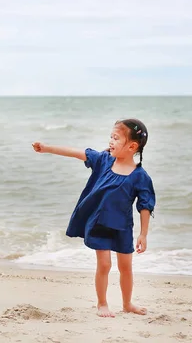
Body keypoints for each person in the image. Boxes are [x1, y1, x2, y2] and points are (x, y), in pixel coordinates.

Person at [32, 118, 155, 318]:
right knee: (104, 265)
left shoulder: (140, 176)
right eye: (111, 137)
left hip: (122, 226)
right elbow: (76, 153)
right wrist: (46, 148)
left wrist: (143, 234)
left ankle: (127, 303)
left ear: (132, 146)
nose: (111, 141)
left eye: (116, 138)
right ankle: (102, 304)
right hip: (99, 223)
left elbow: (145, 206)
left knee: (126, 267)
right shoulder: (103, 161)